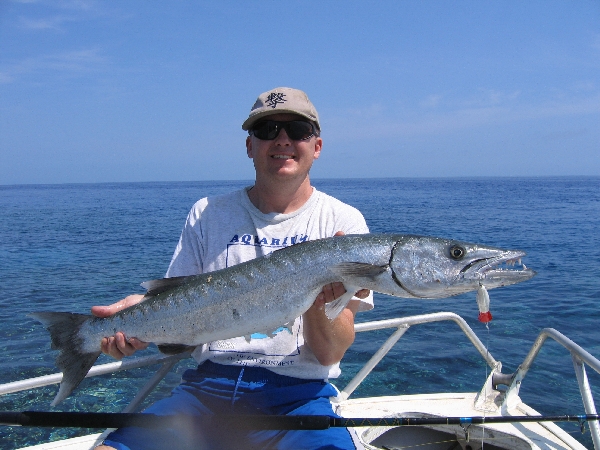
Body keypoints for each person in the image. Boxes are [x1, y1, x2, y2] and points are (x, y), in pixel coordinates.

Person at [93, 87, 373, 450]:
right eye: (267, 130)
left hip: (297, 397)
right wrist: (138, 318)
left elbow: (329, 354)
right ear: (249, 146)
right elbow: (179, 306)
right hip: (205, 392)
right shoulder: (207, 213)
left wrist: (320, 298)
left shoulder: (342, 223)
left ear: (316, 146)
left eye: (297, 130)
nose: (282, 140)